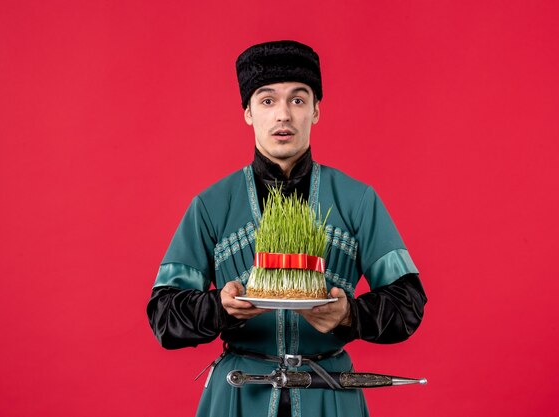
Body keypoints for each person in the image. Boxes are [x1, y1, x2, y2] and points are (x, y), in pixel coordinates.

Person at [147, 40, 427, 417]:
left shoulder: (356, 199)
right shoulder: (211, 205)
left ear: (315, 111)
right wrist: (220, 308)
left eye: (298, 100)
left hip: (329, 393)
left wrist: (350, 316)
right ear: (247, 112)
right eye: (267, 101)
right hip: (238, 394)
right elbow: (163, 315)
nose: (283, 115)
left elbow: (409, 302)